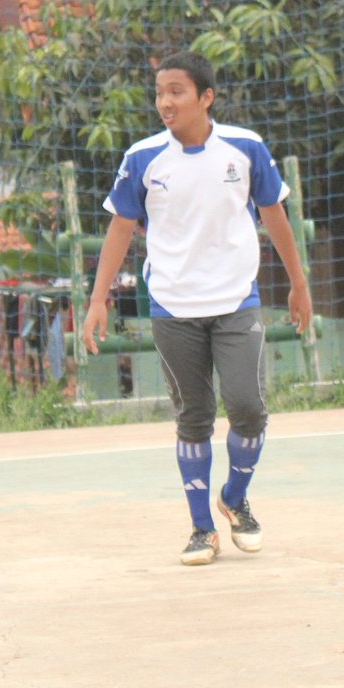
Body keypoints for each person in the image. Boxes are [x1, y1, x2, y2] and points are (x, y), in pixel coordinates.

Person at [81, 51, 313, 566]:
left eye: (177, 92)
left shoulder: (246, 149)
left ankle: (234, 499)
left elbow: (275, 216)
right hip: (172, 306)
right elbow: (120, 228)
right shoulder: (142, 158)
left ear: (206, 98)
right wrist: (97, 300)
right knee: (194, 417)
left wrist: (299, 284)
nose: (165, 102)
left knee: (248, 406)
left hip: (237, 300)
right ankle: (200, 528)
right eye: (160, 92)